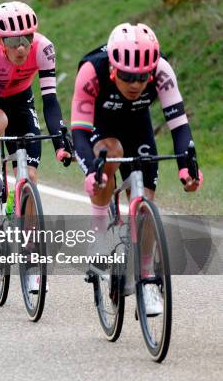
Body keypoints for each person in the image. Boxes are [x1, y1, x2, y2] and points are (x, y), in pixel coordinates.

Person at [71, 22, 203, 315]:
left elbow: (179, 126)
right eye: (128, 76)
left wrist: (187, 169)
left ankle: (147, 280)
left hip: (138, 126)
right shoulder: (92, 71)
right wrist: (93, 171)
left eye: (142, 77)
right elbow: (78, 132)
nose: (135, 84)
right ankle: (99, 235)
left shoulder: (163, 71)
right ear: (114, 70)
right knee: (110, 155)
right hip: (100, 126)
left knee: (144, 206)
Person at [0, 1, 70, 219]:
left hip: (21, 101)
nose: (21, 47)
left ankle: (30, 246)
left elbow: (50, 100)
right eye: (13, 41)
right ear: (0, 40)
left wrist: (61, 143)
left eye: (27, 39)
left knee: (30, 176)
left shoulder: (44, 48)